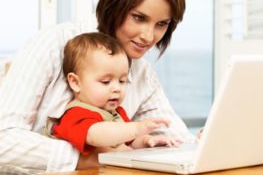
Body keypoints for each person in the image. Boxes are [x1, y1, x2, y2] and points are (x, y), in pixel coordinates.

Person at [0, 0, 194, 173]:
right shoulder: (52, 45)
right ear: (114, 5)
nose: (149, 37)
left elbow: (172, 135)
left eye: (162, 24)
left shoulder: (142, 73)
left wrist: (197, 146)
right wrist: (82, 158)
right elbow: (3, 137)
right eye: (139, 18)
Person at [48, 32, 180, 155]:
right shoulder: (75, 115)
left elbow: (130, 141)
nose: (117, 88)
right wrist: (137, 128)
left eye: (122, 81)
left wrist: (147, 140)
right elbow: (96, 135)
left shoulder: (117, 113)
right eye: (105, 82)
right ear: (75, 82)